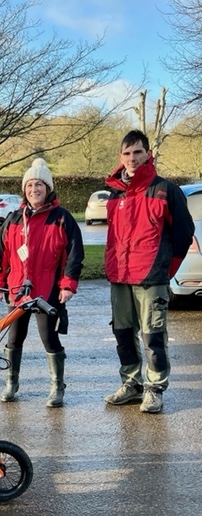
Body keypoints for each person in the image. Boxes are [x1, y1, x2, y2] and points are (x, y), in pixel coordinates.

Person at [104, 130, 194, 413]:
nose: (132, 158)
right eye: (127, 153)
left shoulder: (165, 189)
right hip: (120, 276)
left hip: (151, 276)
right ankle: (131, 384)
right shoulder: (115, 194)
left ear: (148, 154)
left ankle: (155, 387)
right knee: (122, 332)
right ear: (121, 157)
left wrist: (167, 268)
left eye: (138, 152)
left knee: (153, 335)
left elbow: (184, 233)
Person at [0, 158, 84, 407]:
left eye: (39, 184)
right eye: (30, 184)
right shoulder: (13, 219)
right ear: (24, 189)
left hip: (47, 291)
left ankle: (57, 387)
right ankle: (11, 382)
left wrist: (67, 284)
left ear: (48, 188)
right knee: (13, 339)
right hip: (17, 290)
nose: (34, 189)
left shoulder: (62, 218)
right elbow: (0, 253)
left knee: (49, 339)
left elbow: (74, 254)